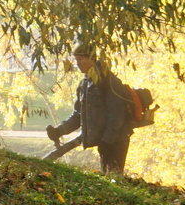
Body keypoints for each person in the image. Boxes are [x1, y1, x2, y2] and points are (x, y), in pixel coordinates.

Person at [46, 44, 133, 174]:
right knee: (107, 177)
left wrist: (107, 140)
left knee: (114, 177)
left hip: (117, 139)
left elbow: (117, 115)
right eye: (76, 60)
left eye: (80, 59)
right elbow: (78, 116)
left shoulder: (109, 81)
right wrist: (59, 131)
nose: (78, 64)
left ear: (92, 58)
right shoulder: (84, 84)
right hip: (105, 141)